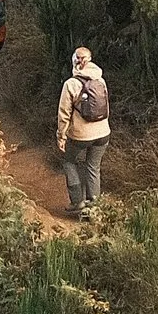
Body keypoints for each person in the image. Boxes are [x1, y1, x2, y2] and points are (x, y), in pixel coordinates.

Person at [55, 45, 110, 214]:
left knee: (69, 161)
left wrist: (61, 136)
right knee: (93, 167)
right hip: (103, 133)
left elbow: (64, 113)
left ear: (74, 61)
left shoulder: (71, 84)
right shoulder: (100, 80)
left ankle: (77, 202)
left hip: (80, 135)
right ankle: (94, 207)